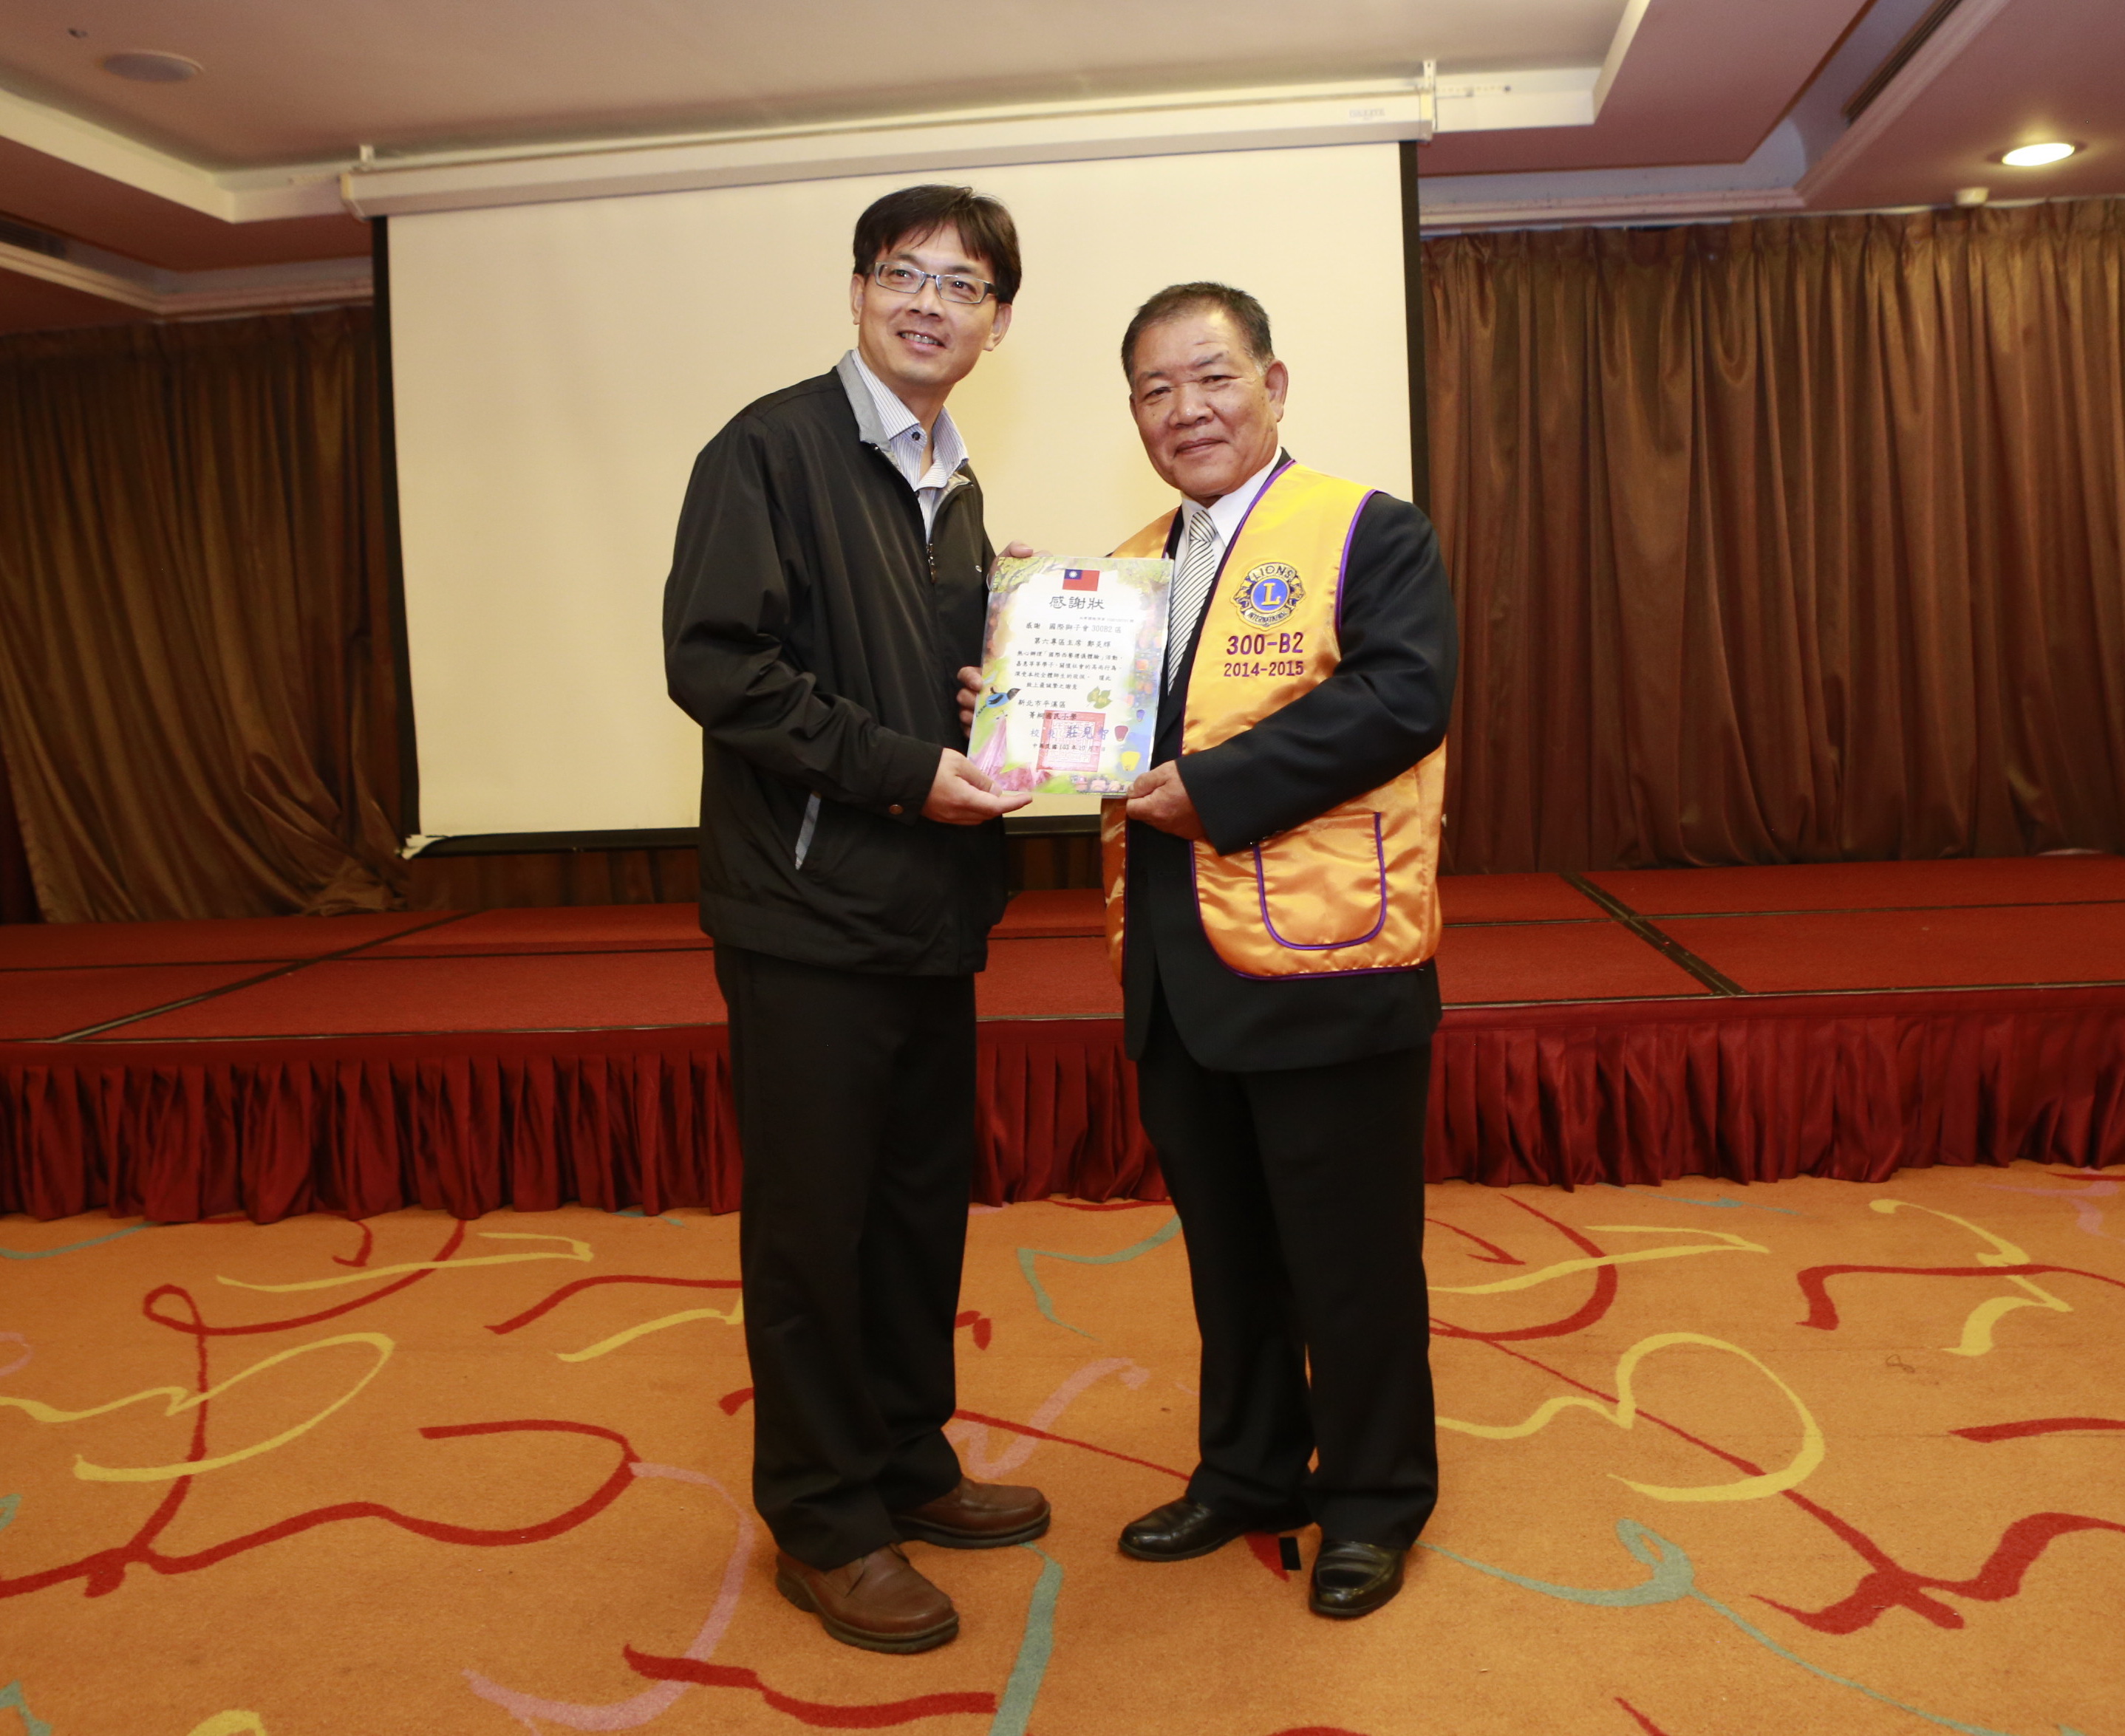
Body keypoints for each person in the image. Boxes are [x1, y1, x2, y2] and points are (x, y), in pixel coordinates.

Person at [661, 185, 1048, 1655]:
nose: (929, 303)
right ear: (858, 290)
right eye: (903, 273)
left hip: (929, 907)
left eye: (962, 284)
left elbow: (915, 683)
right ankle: (824, 1517)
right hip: (809, 908)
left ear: (996, 322)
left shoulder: (956, 483)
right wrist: (905, 766)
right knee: (815, 1229)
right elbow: (719, 665)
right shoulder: (769, 448)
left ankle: (903, 1455)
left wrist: (999, 695)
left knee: (911, 1209)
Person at [1104, 282, 1456, 1618]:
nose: (1185, 409)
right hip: (1177, 969)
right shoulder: (1130, 566)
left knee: (1351, 1256)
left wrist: (1216, 785)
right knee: (1230, 1252)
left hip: (1331, 962)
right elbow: (1114, 737)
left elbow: (1403, 695)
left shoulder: (1371, 529)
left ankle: (1372, 1499)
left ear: (1275, 383)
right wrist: (1019, 696)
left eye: (1212, 376)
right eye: (1155, 389)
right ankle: (1250, 1469)